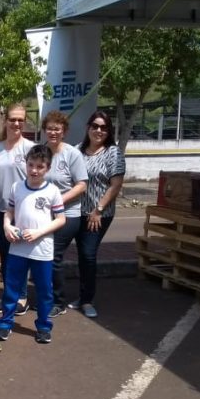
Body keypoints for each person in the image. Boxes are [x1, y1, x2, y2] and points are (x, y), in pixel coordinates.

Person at [0, 144, 65, 344]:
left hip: (42, 250)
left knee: (44, 290)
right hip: (18, 248)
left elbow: (61, 219)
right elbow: (9, 212)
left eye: (40, 167)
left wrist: (38, 233)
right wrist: (8, 226)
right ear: (26, 164)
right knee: (12, 288)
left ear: (48, 168)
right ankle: (4, 323)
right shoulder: (17, 187)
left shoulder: (52, 191)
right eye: (31, 165)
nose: (34, 170)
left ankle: (43, 326)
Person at [69, 111, 126, 318]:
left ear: (108, 130)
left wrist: (98, 210)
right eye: (95, 126)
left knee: (88, 254)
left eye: (104, 127)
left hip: (98, 214)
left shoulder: (113, 153)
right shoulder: (77, 150)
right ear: (88, 127)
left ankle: (86, 300)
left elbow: (116, 184)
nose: (99, 130)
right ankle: (55, 298)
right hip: (75, 212)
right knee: (60, 252)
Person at [0, 104, 36, 316]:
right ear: (5, 120)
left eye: (20, 119)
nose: (16, 123)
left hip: (24, 212)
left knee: (21, 255)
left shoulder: (30, 149)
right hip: (0, 211)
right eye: (12, 119)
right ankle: (9, 295)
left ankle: (22, 297)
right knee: (7, 256)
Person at [43, 110, 88, 318]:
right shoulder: (41, 151)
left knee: (54, 256)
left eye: (57, 129)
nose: (53, 132)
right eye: (50, 128)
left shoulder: (72, 154)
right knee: (42, 256)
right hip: (44, 213)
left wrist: (59, 200)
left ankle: (58, 301)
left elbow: (81, 185)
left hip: (68, 214)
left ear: (64, 132)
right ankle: (46, 297)